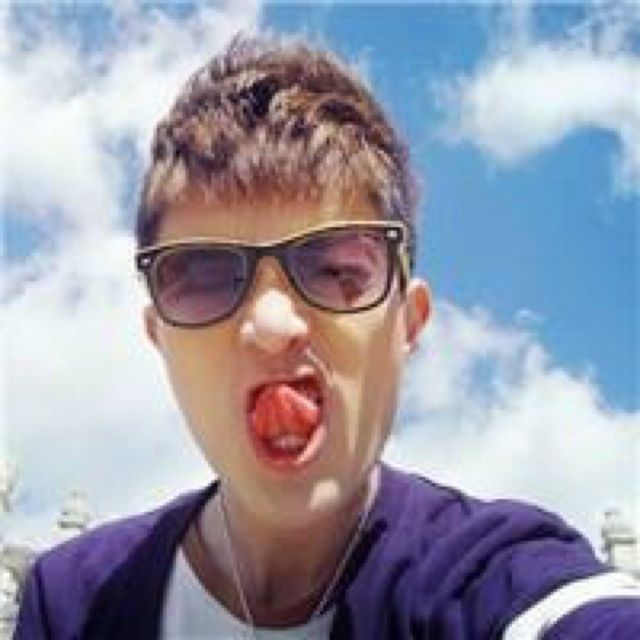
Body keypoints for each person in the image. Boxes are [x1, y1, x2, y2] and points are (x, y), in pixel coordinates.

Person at [15, 35, 640, 640]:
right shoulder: (72, 605)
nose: (272, 326)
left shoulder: (491, 573)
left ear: (409, 323)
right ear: (160, 338)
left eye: (338, 271)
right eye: (202, 277)